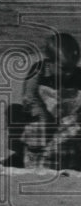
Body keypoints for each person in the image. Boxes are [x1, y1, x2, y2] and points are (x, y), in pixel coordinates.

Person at [5, 32, 81, 169]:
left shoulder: (78, 75)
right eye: (64, 69)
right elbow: (31, 100)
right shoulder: (37, 73)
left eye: (73, 68)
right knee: (14, 111)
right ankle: (21, 154)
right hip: (42, 121)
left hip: (66, 128)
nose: (70, 73)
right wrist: (45, 120)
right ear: (50, 62)